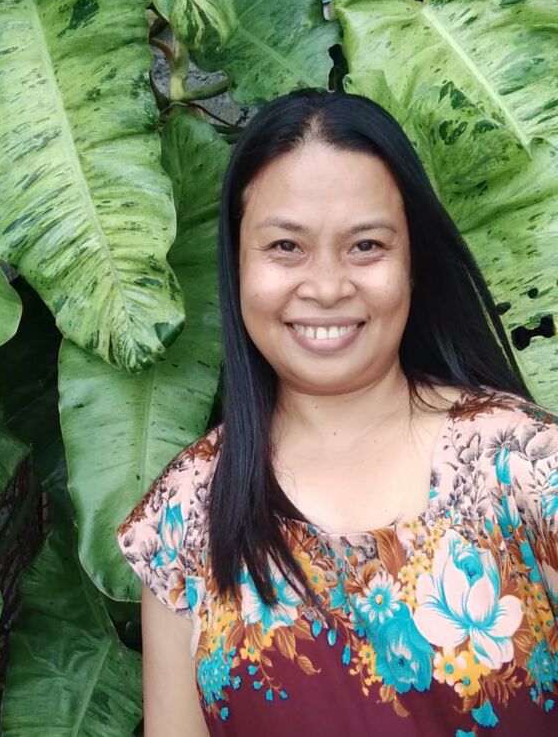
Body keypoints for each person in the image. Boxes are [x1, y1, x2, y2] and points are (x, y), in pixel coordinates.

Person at [117, 90, 558, 735]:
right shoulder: (185, 517)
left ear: (413, 264)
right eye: (286, 246)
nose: (326, 287)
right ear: (237, 264)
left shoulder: (527, 469)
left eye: (366, 246)